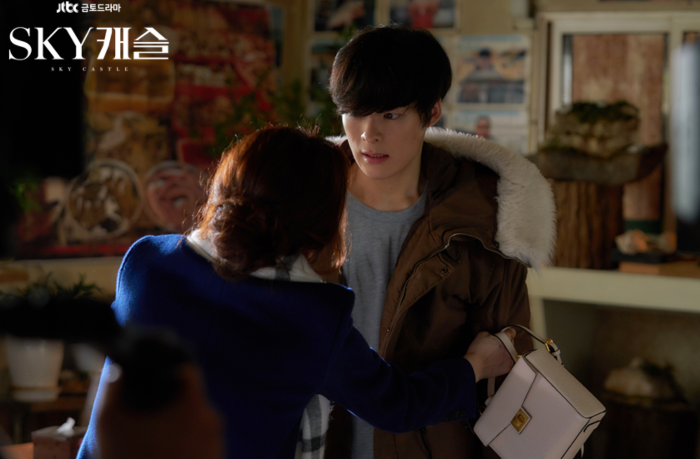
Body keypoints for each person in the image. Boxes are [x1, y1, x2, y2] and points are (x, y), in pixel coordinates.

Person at [77, 127, 517, 459]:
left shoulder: (146, 264)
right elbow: (397, 406)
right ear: (323, 219)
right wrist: (477, 364)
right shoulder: (311, 315)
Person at [325, 25, 556, 459]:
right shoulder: (304, 199)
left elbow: (508, 373)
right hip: (316, 443)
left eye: (391, 115)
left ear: (431, 112)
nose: (368, 134)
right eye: (355, 112)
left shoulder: (482, 219)